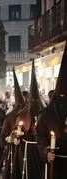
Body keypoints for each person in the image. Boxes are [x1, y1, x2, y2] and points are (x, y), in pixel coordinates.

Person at [36, 45, 67, 179]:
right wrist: (46, 151)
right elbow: (40, 136)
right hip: (55, 164)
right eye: (61, 98)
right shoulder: (46, 114)